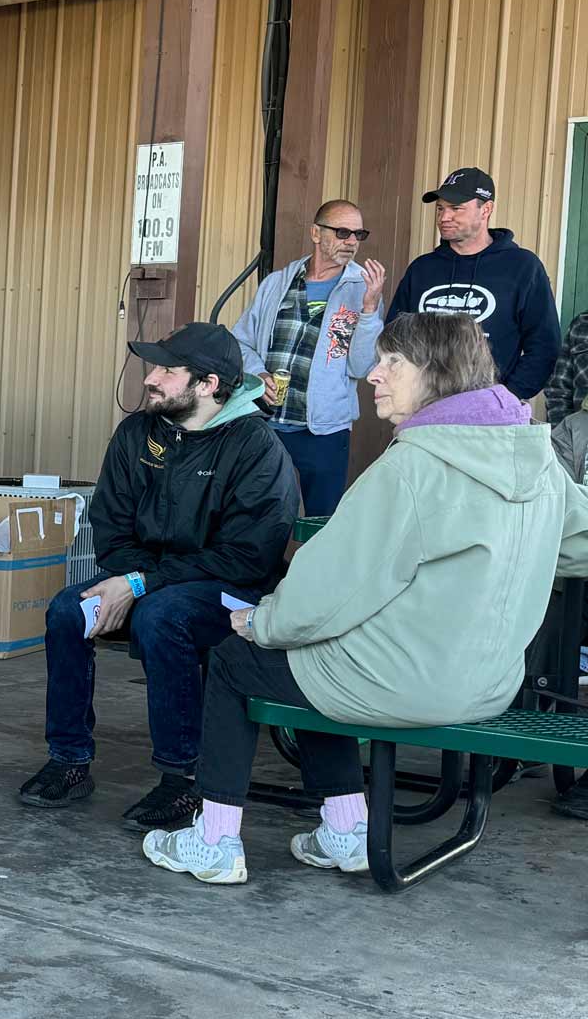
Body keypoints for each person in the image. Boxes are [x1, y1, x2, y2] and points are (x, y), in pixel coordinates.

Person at [142, 313, 586, 884]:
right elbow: (575, 540)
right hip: (490, 686)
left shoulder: (412, 466)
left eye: (390, 362)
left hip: (407, 685)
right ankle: (346, 829)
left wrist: (263, 620)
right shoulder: (538, 463)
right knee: (319, 657)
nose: (371, 375)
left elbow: (325, 593)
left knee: (238, 660)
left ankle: (214, 842)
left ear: (434, 373)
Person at [20, 321, 300, 830]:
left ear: (209, 384)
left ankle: (183, 781)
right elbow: (110, 527)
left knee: (161, 616)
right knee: (67, 611)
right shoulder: (137, 433)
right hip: (144, 583)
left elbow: (247, 559)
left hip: (234, 597)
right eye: (154, 366)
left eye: (169, 370)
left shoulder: (257, 447)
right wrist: (133, 580)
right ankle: (69, 760)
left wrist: (142, 584)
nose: (152, 378)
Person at [228, 198, 385, 514]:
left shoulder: (361, 290)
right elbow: (240, 343)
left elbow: (360, 365)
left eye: (358, 234)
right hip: (266, 422)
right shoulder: (276, 284)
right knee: (253, 516)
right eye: (342, 232)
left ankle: (314, 566)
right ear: (316, 233)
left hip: (323, 430)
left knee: (321, 521)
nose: (352, 242)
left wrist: (369, 310)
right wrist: (258, 374)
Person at [385, 166, 558, 405]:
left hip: (491, 415)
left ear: (486, 209)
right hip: (425, 410)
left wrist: (504, 398)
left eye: (456, 208)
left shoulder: (522, 267)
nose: (444, 217)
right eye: (440, 208)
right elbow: (395, 338)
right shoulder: (422, 269)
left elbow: (544, 346)